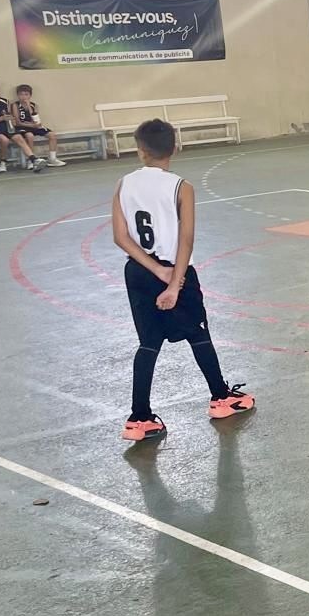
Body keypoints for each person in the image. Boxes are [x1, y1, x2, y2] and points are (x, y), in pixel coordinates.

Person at [111, 119, 255, 441]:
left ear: (140, 150)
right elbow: (185, 239)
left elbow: (120, 237)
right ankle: (220, 398)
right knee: (198, 334)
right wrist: (174, 282)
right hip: (176, 270)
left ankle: (139, 418)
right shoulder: (182, 187)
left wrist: (154, 269)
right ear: (174, 148)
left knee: (148, 343)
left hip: (138, 271)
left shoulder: (123, 184)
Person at [0, 78, 38, 172]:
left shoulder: (5, 101)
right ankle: (3, 161)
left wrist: (9, 118)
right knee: (4, 140)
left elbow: (9, 116)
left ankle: (33, 159)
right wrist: (1, 118)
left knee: (19, 137)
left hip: (7, 126)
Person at [12, 84, 65, 167]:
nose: (23, 97)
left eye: (26, 94)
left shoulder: (34, 105)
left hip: (33, 126)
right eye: (21, 94)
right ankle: (32, 160)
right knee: (30, 136)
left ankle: (52, 158)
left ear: (30, 95)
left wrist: (28, 106)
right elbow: (18, 122)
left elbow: (36, 120)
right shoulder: (15, 105)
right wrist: (32, 125)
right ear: (18, 95)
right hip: (22, 127)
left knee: (52, 135)